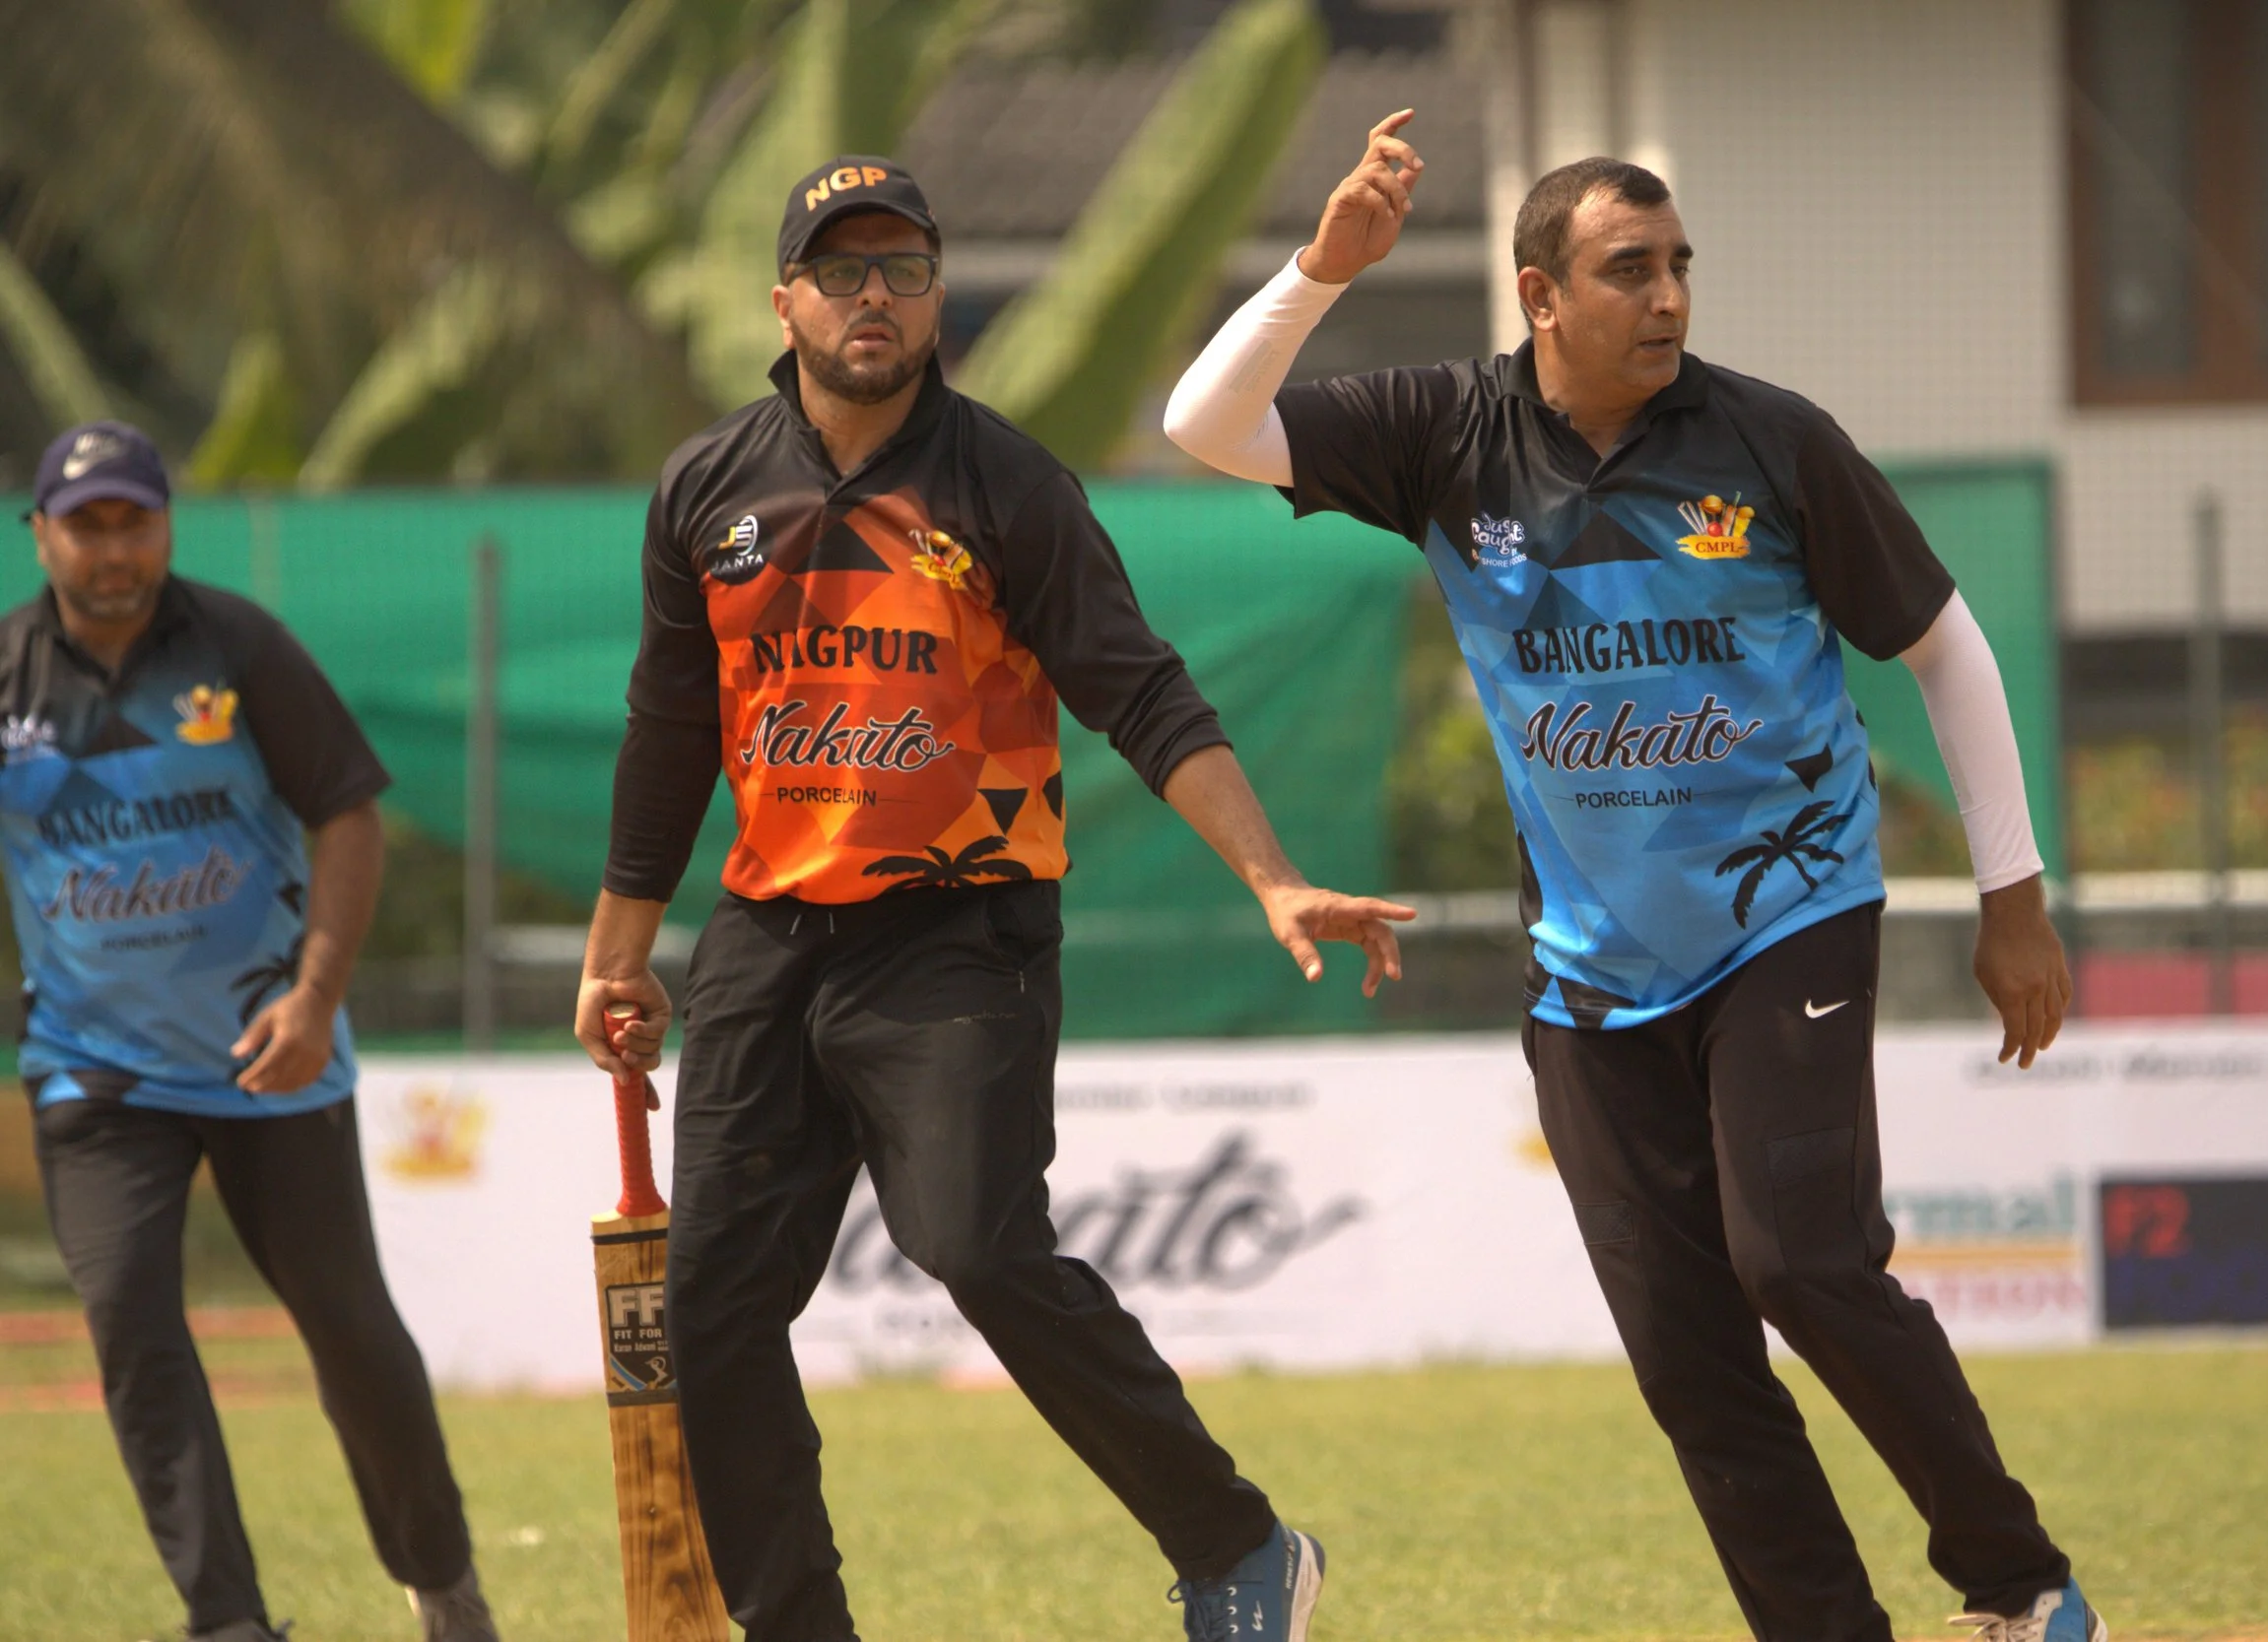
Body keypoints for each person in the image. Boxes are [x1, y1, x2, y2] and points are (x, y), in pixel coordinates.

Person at [1165, 114, 2101, 1642]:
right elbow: (1205, 423)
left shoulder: (1772, 438)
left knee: (1798, 1259)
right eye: (1626, 271)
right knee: (1685, 1348)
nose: (1665, 298)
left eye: (1678, 268)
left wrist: (2014, 895)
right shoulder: (1443, 430)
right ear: (1540, 294)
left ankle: (2021, 1589)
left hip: (1789, 909)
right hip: (1591, 965)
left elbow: (1942, 642)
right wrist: (1323, 268)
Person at [573, 157, 1410, 1642]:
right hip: (768, 937)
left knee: (973, 1242)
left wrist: (1274, 876)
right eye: (841, 270)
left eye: (901, 267)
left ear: (939, 293)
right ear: (786, 302)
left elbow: (1142, 694)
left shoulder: (1006, 485)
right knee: (710, 1305)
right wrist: (619, 953)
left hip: (963, 929)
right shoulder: (707, 490)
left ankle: (1238, 1545)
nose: (872, 295)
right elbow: (667, 729)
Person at [4, 423, 498, 1642]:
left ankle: (441, 1580)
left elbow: (350, 813)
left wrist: (317, 995)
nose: (114, 548)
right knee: (129, 1318)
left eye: (136, 521)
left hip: (269, 1053)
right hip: (93, 1067)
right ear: (41, 534)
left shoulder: (238, 644)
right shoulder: (7, 675)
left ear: (166, 525)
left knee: (348, 1326)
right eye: (88, 524)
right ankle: (229, 1621)